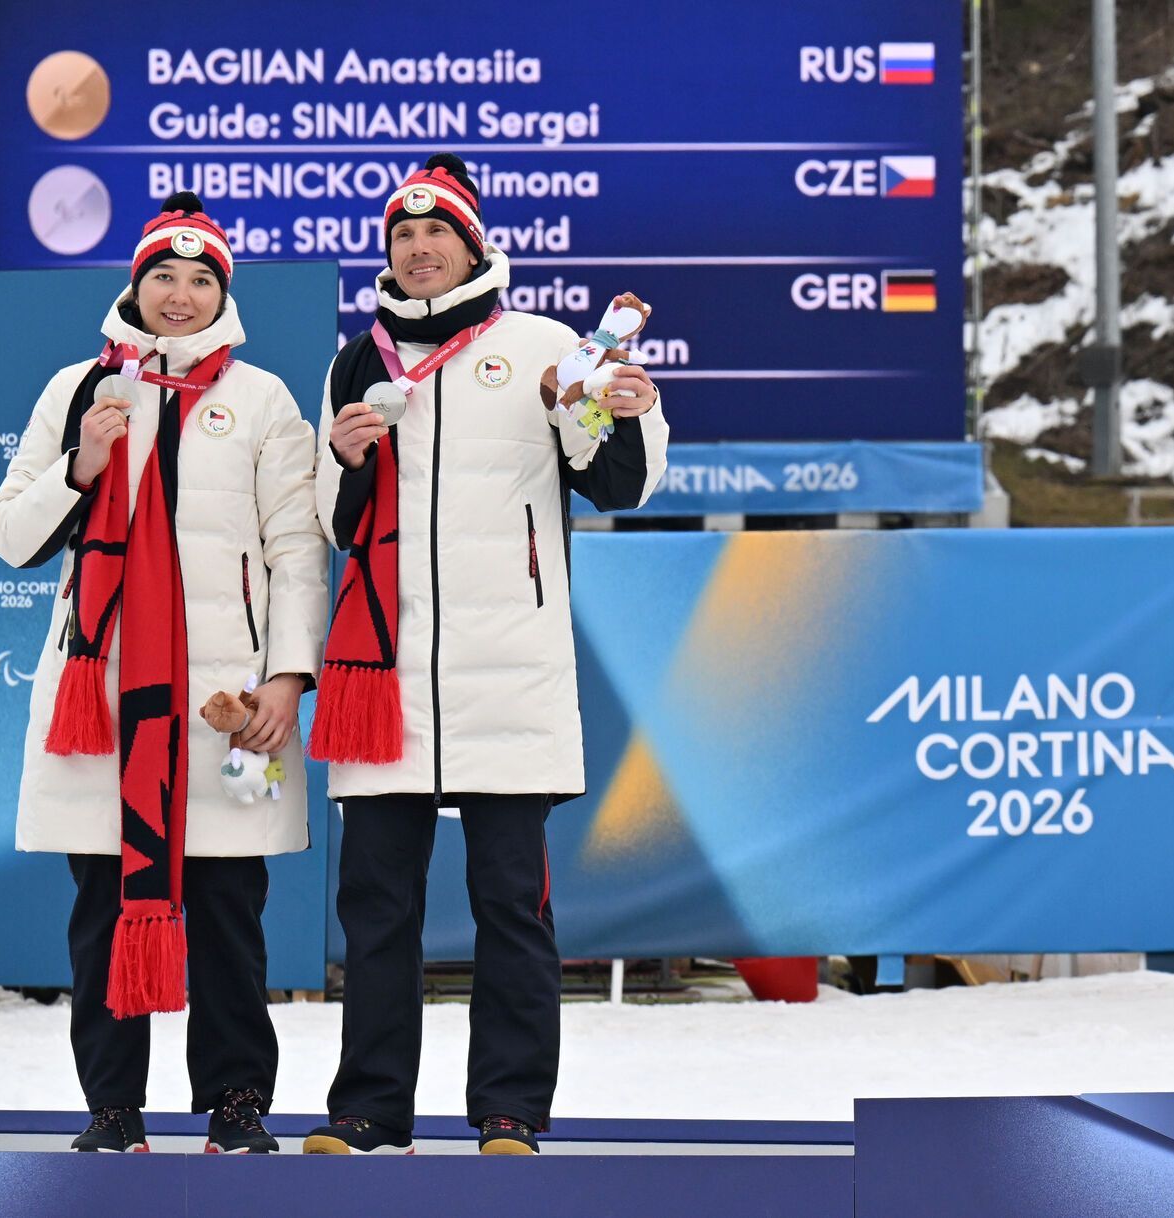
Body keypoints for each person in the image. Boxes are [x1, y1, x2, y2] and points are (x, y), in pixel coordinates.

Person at [302, 154, 669, 1156]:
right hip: (383, 676)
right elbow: (333, 521)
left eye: (437, 234)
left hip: (508, 671)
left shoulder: (543, 344)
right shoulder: (356, 361)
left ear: (471, 244)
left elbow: (617, 485)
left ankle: (509, 1109)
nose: (418, 250)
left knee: (511, 905)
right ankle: (369, 1109)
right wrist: (340, 464)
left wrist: (617, 411)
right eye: (400, 237)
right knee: (376, 909)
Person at [0, 194, 326, 1152]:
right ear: (134, 287)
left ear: (224, 293)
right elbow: (10, 538)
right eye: (163, 278)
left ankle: (236, 1102)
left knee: (228, 910)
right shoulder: (77, 388)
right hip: (101, 702)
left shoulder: (260, 399)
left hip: (228, 705)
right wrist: (81, 463)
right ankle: (112, 1106)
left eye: (201, 279)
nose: (180, 296)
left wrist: (287, 679)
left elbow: (297, 547)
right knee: (103, 906)